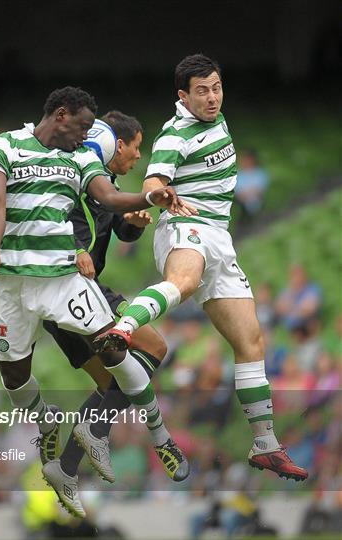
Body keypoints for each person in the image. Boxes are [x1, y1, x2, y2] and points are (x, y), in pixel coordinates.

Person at [0, 87, 193, 518]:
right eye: (81, 127)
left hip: (65, 282)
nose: (85, 137)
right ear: (60, 116)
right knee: (16, 383)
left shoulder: (81, 160)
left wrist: (149, 197)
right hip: (14, 284)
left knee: (124, 349)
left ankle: (156, 434)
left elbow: (110, 201)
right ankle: (54, 431)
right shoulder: (4, 146)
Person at [94, 55, 308, 482]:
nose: (212, 97)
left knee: (251, 341)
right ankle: (123, 329)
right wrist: (159, 196)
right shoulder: (176, 135)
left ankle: (264, 443)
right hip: (184, 225)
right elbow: (153, 182)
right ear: (182, 96)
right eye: (202, 91)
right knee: (183, 283)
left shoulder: (218, 119)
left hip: (219, 238)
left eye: (216, 88)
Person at [42, 111, 175, 502]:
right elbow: (61, 221)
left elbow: (120, 230)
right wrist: (80, 249)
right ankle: (96, 435)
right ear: (118, 144)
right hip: (79, 290)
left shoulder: (106, 185)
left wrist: (132, 222)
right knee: (154, 348)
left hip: (58, 304)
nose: (138, 158)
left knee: (110, 387)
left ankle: (64, 468)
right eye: (135, 149)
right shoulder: (80, 180)